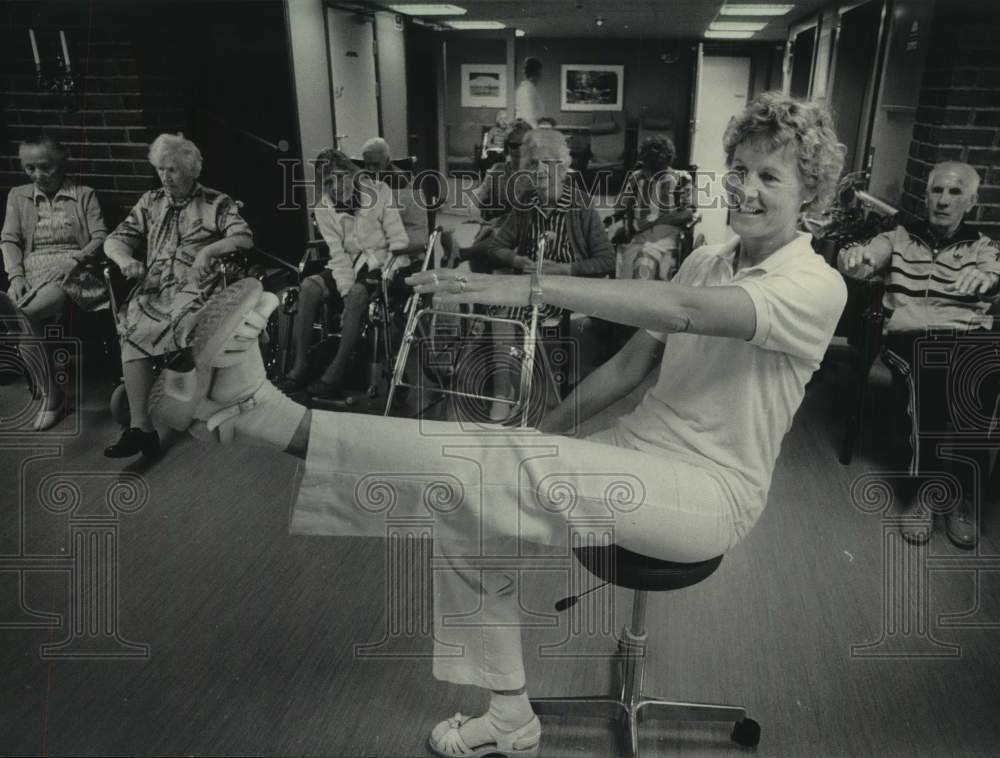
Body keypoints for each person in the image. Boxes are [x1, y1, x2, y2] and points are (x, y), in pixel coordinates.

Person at [147, 92, 846, 758]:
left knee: (491, 462)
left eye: (771, 177)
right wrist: (539, 435)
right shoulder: (707, 260)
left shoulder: (813, 286)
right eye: (741, 172)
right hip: (637, 450)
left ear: (809, 193)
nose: (748, 190)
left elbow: (684, 313)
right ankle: (509, 715)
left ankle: (265, 412)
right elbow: (630, 369)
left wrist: (529, 285)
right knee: (470, 498)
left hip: (710, 491)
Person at [838, 161, 1000, 549]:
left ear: (972, 202)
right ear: (926, 195)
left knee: (984, 381)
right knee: (931, 376)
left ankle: (963, 495)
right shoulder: (897, 236)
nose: (943, 200)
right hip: (910, 338)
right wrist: (855, 257)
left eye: (955, 192)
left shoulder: (984, 246)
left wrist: (988, 281)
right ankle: (926, 492)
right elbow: (863, 257)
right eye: (937, 191)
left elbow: (994, 276)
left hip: (966, 339)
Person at [102, 133, 253, 458]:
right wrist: (125, 259)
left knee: (183, 318)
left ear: (191, 170)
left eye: (171, 170)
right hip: (156, 287)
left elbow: (243, 238)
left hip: (199, 286)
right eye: (159, 169)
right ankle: (141, 428)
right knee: (133, 321)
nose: (165, 177)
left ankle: (187, 388)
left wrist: (209, 251)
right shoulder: (150, 202)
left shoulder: (216, 202)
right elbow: (115, 239)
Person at [477, 127, 615, 421]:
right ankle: (503, 395)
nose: (538, 171)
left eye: (545, 163)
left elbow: (605, 260)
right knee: (499, 309)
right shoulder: (526, 202)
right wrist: (516, 259)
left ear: (562, 166)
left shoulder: (581, 205)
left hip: (567, 289)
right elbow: (496, 246)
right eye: (532, 164)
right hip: (531, 284)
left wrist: (564, 269)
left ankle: (543, 399)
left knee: (519, 311)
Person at [277, 148, 408, 401]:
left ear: (352, 174)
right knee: (309, 287)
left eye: (340, 177)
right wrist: (345, 288)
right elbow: (337, 256)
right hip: (347, 265)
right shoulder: (323, 209)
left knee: (359, 293)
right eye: (328, 182)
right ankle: (301, 365)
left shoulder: (379, 192)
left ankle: (336, 371)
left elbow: (398, 240)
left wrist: (363, 284)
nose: (336, 187)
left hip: (382, 263)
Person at [0, 134, 107, 430]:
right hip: (32, 272)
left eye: (45, 167)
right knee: (27, 320)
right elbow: (9, 239)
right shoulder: (17, 196)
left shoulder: (84, 194)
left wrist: (75, 259)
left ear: (63, 161)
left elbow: (101, 237)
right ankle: (52, 394)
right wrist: (16, 275)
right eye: (29, 168)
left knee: (24, 317)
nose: (37, 175)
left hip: (74, 272)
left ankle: (53, 397)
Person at [613, 135, 694, 282]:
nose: (651, 175)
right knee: (634, 263)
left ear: (667, 163)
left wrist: (654, 220)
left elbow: (688, 213)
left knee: (644, 261)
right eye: (649, 168)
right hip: (639, 237)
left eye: (657, 170)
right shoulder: (636, 177)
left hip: (667, 237)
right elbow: (619, 206)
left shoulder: (682, 178)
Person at [514, 57, 544, 128]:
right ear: (536, 73)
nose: (541, 76)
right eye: (539, 73)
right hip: (528, 129)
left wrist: (546, 119)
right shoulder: (526, 90)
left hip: (531, 127)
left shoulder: (531, 89)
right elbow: (527, 116)